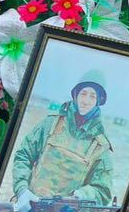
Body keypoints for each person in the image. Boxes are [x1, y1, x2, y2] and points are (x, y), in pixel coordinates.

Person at [11, 72, 114, 211]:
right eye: (83, 94)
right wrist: (22, 190)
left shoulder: (100, 146)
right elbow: (23, 155)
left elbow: (103, 191)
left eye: (92, 96)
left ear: (98, 101)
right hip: (31, 204)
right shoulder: (50, 124)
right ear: (75, 95)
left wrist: (81, 196)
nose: (86, 100)